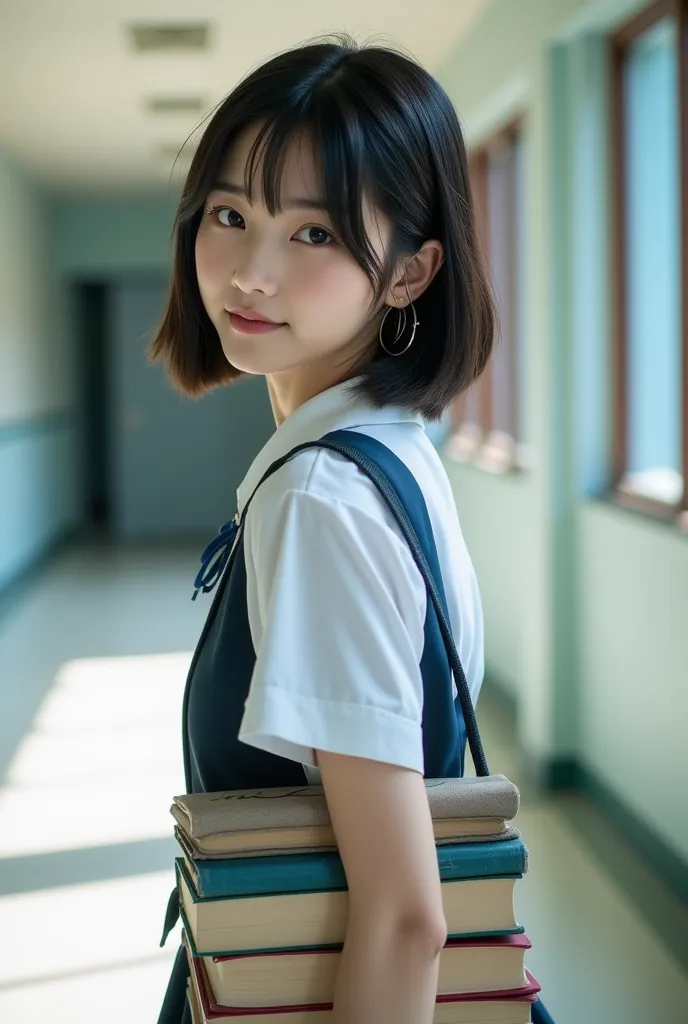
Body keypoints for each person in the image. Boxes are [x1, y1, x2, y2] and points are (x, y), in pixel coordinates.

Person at [152, 35, 495, 1024]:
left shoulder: (320, 501)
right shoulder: (388, 452)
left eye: (314, 234)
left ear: (409, 271)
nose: (249, 273)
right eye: (230, 216)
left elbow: (401, 918)